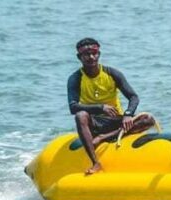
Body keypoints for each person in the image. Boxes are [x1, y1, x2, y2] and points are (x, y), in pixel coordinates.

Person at [67, 38, 156, 175]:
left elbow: (133, 97)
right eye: (86, 54)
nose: (91, 57)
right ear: (79, 57)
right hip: (94, 123)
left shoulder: (112, 73)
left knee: (148, 119)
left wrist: (128, 114)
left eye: (94, 53)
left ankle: (104, 137)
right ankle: (96, 163)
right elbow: (73, 107)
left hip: (115, 121)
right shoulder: (75, 78)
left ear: (99, 54)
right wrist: (100, 108)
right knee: (80, 116)